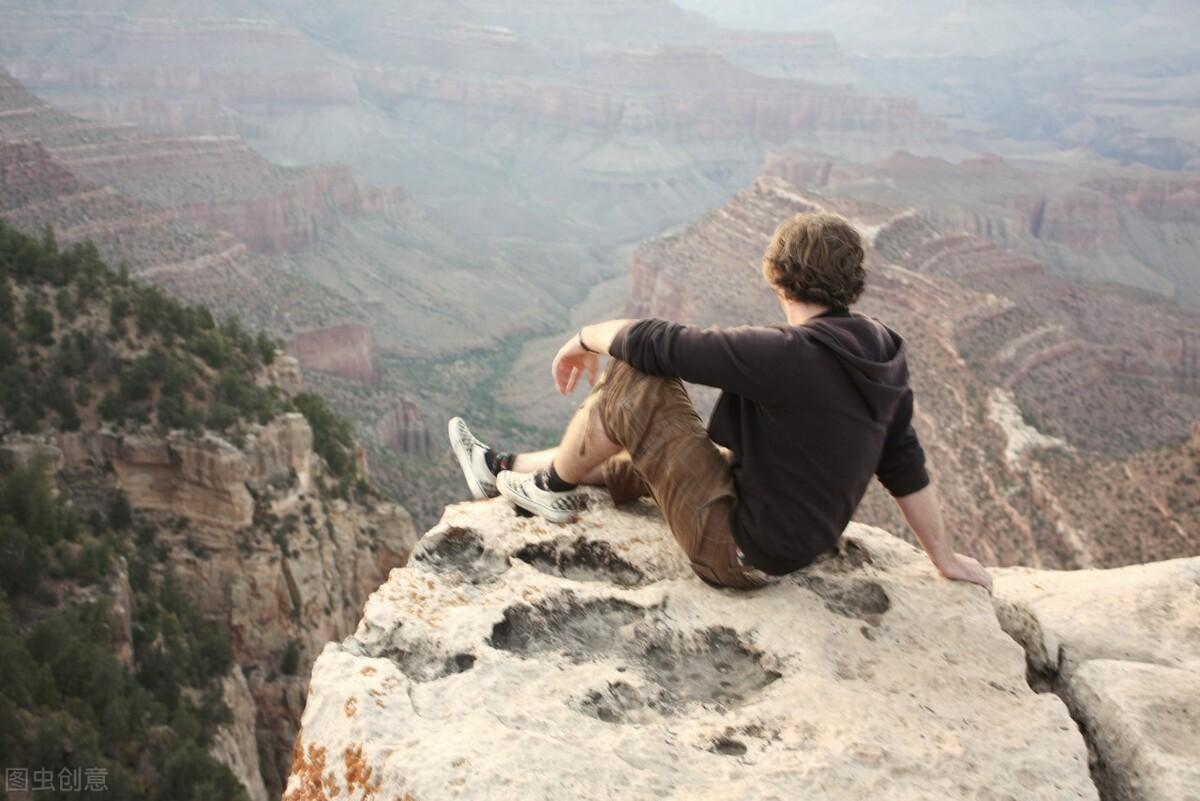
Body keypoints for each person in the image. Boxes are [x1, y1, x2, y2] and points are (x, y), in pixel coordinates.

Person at [448, 212, 992, 592]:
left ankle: (550, 488)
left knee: (637, 381)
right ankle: (502, 468)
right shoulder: (881, 347)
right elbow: (903, 461)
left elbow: (659, 343)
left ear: (777, 276)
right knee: (644, 457)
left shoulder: (789, 355)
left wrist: (584, 337)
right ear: (851, 284)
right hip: (787, 540)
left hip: (739, 554)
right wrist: (941, 557)